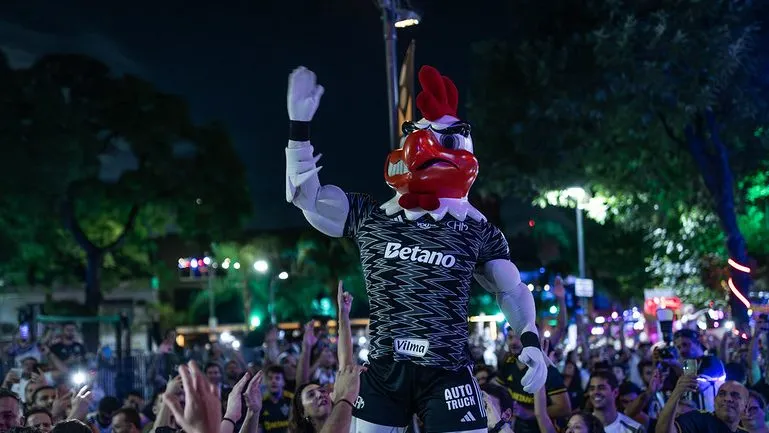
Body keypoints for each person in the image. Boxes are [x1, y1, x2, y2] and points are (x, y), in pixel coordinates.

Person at [285, 64, 547, 433]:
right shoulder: (370, 216)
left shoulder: (476, 228)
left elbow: (511, 289)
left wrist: (531, 339)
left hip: (448, 371)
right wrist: (299, 130)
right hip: (383, 369)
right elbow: (306, 199)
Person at [656, 376, 749, 433]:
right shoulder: (698, 419)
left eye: (735, 395)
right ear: (715, 400)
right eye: (722, 394)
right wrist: (677, 392)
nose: (727, 399)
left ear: (745, 407)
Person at [260, 366, 293, 433]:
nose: (273, 381)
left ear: (283, 382)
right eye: (270, 378)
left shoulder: (292, 400)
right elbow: (258, 428)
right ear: (266, 382)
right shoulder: (261, 403)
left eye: (277, 378)